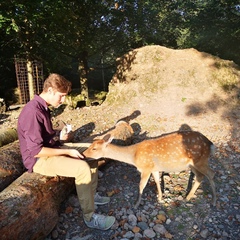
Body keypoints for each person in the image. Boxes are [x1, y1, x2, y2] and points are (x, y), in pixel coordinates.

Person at [17, 73, 115, 230]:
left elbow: (45, 138)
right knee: (82, 168)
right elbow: (36, 151)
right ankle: (90, 217)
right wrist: (68, 152)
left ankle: (91, 194)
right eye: (61, 96)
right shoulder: (32, 112)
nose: (63, 101)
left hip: (52, 149)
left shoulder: (43, 107)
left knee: (94, 152)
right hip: (38, 160)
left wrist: (60, 137)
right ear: (50, 90)